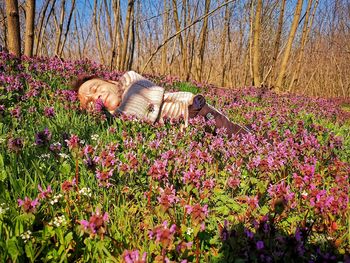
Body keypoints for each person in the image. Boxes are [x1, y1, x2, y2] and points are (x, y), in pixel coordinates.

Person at [72, 71, 251, 137]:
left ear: (109, 82)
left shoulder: (129, 80)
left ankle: (254, 136)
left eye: (95, 88)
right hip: (185, 134)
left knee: (231, 132)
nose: (95, 97)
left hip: (192, 109)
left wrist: (114, 116)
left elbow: (140, 105)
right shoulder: (114, 122)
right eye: (89, 103)